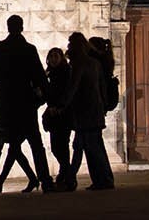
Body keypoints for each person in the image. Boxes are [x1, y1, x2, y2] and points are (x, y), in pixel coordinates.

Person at [0, 15, 51, 195]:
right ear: (21, 27)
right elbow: (40, 77)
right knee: (36, 144)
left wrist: (4, 78)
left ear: (8, 27)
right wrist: (47, 97)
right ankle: (45, 181)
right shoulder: (28, 50)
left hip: (5, 103)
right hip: (25, 103)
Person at [48, 32, 114, 191]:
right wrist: (103, 105)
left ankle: (92, 180)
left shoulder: (80, 64)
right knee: (92, 146)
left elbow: (73, 87)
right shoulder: (94, 63)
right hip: (95, 110)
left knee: (89, 147)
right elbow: (102, 86)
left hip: (85, 111)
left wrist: (61, 105)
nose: (68, 47)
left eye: (70, 44)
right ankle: (100, 179)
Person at [41, 47, 75, 190]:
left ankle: (66, 175)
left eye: (56, 56)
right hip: (53, 114)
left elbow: (66, 92)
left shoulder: (65, 72)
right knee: (57, 146)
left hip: (63, 113)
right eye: (51, 56)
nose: (54, 59)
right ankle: (65, 174)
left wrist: (60, 107)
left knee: (61, 145)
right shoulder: (49, 74)